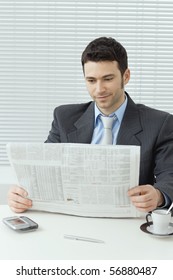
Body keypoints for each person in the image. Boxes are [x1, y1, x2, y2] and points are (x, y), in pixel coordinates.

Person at [8, 36, 173, 214]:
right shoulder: (64, 118)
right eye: (91, 80)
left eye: (108, 79)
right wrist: (21, 194)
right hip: (75, 218)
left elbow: (169, 176)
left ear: (126, 76)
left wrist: (157, 195)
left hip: (129, 222)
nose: (99, 89)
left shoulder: (159, 123)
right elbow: (43, 172)